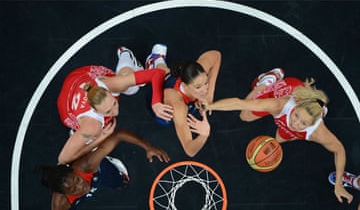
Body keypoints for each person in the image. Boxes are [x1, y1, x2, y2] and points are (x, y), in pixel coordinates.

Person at [205, 68, 353, 203]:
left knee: (278, 140)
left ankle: (319, 106)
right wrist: (210, 106)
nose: (295, 123)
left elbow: (339, 150)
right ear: (295, 107)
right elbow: (239, 103)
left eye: (303, 123)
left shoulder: (317, 132)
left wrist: (338, 185)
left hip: (303, 109)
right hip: (285, 88)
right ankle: (268, 80)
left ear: (311, 124)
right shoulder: (279, 105)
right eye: (296, 116)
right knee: (245, 116)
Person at [57, 46, 173, 164]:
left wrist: (156, 102)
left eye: (114, 103)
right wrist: (101, 137)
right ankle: (86, 137)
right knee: (93, 138)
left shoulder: (109, 84)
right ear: (95, 111)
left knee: (131, 88)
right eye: (108, 112)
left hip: (78, 78)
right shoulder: (92, 125)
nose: (115, 111)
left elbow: (157, 73)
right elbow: (63, 159)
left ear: (108, 92)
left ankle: (126, 55)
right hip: (67, 107)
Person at [40, 128, 170, 210]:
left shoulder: (85, 165)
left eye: (77, 180)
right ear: (64, 193)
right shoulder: (60, 205)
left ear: (74, 171)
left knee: (122, 181)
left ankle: (85, 142)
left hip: (93, 167)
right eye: (73, 189)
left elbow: (118, 135)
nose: (81, 187)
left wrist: (148, 147)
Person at [145, 44, 221, 157]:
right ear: (185, 86)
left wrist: (210, 94)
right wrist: (203, 135)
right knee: (166, 120)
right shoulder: (179, 106)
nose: (204, 89)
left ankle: (159, 63)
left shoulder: (197, 74)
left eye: (206, 83)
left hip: (173, 82)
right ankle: (155, 61)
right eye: (198, 87)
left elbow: (216, 55)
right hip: (161, 105)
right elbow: (189, 150)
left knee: (166, 72)